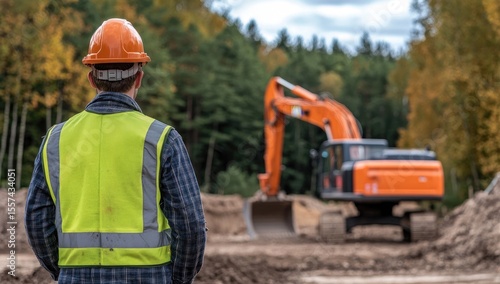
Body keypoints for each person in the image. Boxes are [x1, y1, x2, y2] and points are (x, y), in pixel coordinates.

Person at [25, 18, 206, 284]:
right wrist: (176, 279)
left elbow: (36, 221)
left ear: (91, 78)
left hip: (76, 276)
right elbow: (190, 227)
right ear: (139, 78)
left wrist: (66, 271)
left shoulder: (55, 140)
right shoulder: (162, 139)